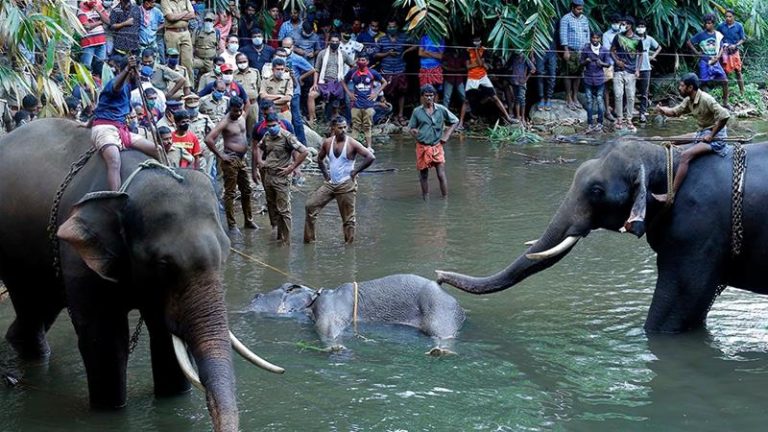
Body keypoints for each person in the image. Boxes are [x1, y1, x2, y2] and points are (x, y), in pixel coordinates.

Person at [652, 73, 730, 203]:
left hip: (716, 137)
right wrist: (661, 109)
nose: (679, 88)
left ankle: (671, 195)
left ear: (690, 87)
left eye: (682, 86)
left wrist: (711, 135)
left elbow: (725, 115)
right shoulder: (689, 100)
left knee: (685, 155)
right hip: (702, 133)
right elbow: (675, 112)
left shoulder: (706, 99)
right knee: (671, 140)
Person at [90, 54, 158, 191]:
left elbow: (101, 107)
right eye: (137, 71)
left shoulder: (128, 87)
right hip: (105, 129)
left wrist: (87, 124)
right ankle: (116, 196)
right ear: (130, 71)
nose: (139, 74)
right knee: (114, 161)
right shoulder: (114, 83)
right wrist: (127, 69)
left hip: (122, 130)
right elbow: (116, 87)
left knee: (158, 149)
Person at [304, 115, 375, 244]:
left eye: (345, 127)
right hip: (331, 183)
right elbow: (320, 159)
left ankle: (349, 247)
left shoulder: (352, 143)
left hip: (346, 184)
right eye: (340, 128)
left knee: (348, 219)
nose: (343, 130)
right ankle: (310, 241)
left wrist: (355, 171)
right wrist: (326, 175)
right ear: (333, 128)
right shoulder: (327, 142)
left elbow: (370, 157)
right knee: (310, 206)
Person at [253, 113, 309, 243]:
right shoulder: (267, 136)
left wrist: (292, 167)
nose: (271, 128)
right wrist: (260, 161)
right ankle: (279, 236)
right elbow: (259, 147)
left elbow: (304, 151)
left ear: (279, 123)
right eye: (269, 126)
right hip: (268, 175)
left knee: (284, 210)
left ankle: (287, 241)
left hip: (281, 177)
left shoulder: (287, 137)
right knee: (272, 207)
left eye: (274, 125)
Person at [205, 96, 257, 233]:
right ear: (230, 108)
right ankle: (232, 225)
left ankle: (248, 220)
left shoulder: (242, 115)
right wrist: (221, 155)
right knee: (230, 193)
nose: (238, 113)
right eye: (235, 111)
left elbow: (248, 103)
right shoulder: (225, 121)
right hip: (230, 160)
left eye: (240, 110)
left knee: (247, 190)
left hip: (242, 159)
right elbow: (208, 139)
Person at [407, 85, 459, 200]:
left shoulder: (441, 109)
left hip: (437, 146)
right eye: (426, 96)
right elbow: (411, 127)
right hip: (422, 146)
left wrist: (446, 135)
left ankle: (445, 199)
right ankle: (425, 199)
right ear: (422, 97)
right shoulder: (417, 111)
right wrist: (414, 132)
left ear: (434, 96)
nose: (429, 98)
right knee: (423, 175)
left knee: (441, 174)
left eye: (431, 95)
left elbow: (455, 121)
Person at [465, 35, 514, 124]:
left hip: (483, 77)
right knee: (467, 100)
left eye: (478, 40)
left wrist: (477, 56)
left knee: (495, 97)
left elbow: (481, 64)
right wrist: (479, 62)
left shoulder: (483, 50)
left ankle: (508, 117)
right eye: (475, 41)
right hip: (472, 77)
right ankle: (462, 122)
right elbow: (469, 66)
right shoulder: (468, 51)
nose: (477, 42)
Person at [375, 20, 416, 125]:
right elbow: (376, 54)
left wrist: (405, 52)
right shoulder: (382, 39)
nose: (391, 29)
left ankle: (400, 115)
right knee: (386, 93)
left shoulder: (403, 37)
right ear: (387, 28)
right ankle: (389, 115)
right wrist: (387, 53)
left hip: (400, 69)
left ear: (397, 27)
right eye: (390, 27)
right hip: (386, 70)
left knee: (401, 92)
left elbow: (416, 44)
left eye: (393, 27)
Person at [344, 53, 386, 150]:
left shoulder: (372, 72)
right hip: (355, 103)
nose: (361, 62)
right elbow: (343, 81)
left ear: (367, 62)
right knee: (355, 125)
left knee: (368, 126)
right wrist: (349, 93)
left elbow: (384, 82)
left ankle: (369, 147)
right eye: (359, 60)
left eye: (363, 60)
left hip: (368, 104)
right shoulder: (352, 72)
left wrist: (376, 93)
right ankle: (353, 148)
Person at [309, 33, 353, 125]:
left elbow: (353, 65)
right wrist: (315, 83)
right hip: (323, 82)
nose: (334, 43)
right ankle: (312, 120)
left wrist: (346, 78)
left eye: (336, 42)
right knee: (311, 95)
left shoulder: (343, 54)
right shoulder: (322, 53)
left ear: (339, 42)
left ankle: (341, 123)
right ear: (329, 42)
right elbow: (316, 70)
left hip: (337, 83)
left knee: (340, 103)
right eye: (332, 41)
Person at [688, 14, 728, 108]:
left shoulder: (718, 35)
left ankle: (725, 103)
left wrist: (718, 57)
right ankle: (701, 103)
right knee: (703, 82)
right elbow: (689, 42)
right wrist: (697, 53)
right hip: (704, 61)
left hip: (715, 62)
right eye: (706, 23)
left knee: (725, 81)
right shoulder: (701, 35)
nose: (707, 25)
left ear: (713, 24)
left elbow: (722, 47)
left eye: (709, 23)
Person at [279, 40, 314, 145]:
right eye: (284, 46)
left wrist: (300, 78)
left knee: (296, 118)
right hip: (281, 92)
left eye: (288, 47)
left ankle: (302, 143)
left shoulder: (297, 58)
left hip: (294, 92)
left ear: (293, 47)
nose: (285, 49)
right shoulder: (278, 57)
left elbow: (311, 69)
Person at [610, 16, 640, 132]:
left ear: (630, 25)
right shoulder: (618, 37)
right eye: (621, 24)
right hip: (618, 70)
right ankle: (619, 119)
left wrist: (637, 69)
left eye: (624, 24)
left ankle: (629, 120)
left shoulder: (637, 39)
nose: (621, 26)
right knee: (618, 95)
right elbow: (612, 51)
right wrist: (617, 61)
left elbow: (640, 54)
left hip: (631, 71)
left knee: (631, 96)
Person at [559, 0, 589, 110]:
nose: (580, 11)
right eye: (578, 9)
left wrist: (587, 50)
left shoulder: (584, 19)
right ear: (572, 8)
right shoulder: (566, 18)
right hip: (570, 50)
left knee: (578, 74)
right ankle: (568, 97)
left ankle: (575, 97)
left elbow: (587, 34)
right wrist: (566, 50)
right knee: (568, 74)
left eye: (582, 9)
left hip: (581, 51)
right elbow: (563, 34)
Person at [580, 31, 611, 133]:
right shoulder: (586, 49)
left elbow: (608, 64)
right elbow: (581, 62)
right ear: (590, 38)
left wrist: (601, 63)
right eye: (593, 38)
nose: (595, 40)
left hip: (599, 79)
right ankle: (590, 124)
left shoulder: (604, 50)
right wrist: (586, 61)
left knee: (599, 100)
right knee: (589, 101)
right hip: (588, 78)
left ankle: (600, 123)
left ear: (600, 39)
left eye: (597, 38)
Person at [161, 0, 195, 80]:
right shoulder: (165, 1)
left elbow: (192, 15)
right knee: (173, 61)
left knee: (188, 62)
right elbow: (171, 17)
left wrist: (177, 16)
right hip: (172, 33)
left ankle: (189, 85)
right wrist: (185, 13)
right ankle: (173, 84)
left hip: (185, 32)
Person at [636, 20, 661, 123]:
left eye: (642, 26)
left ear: (645, 28)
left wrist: (653, 56)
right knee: (629, 90)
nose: (640, 28)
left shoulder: (649, 39)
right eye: (639, 26)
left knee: (644, 91)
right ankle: (626, 112)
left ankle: (642, 113)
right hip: (633, 68)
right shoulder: (632, 38)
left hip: (646, 67)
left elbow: (659, 47)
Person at [717, 9, 746, 97]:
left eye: (730, 16)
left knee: (738, 71)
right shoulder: (721, 26)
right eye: (726, 16)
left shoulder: (739, 26)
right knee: (724, 73)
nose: (728, 18)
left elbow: (743, 39)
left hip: (734, 51)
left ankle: (742, 93)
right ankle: (726, 94)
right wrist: (722, 45)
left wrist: (735, 45)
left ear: (734, 17)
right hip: (724, 52)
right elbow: (717, 37)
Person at [233, 52, 261, 138]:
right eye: (240, 62)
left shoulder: (255, 72)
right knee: (238, 129)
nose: (242, 64)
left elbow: (259, 87)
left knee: (253, 129)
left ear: (248, 61)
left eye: (244, 61)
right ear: (236, 63)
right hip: (239, 107)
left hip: (253, 105)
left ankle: (252, 145)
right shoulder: (233, 75)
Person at [78, 0, 110, 71]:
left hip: (101, 43)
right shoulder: (81, 10)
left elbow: (108, 21)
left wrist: (97, 10)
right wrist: (100, 22)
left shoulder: (99, 6)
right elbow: (87, 26)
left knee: (100, 67)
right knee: (86, 68)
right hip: (88, 44)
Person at [505, 51, 536, 125]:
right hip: (514, 81)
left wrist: (526, 79)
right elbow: (507, 67)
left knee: (522, 99)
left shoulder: (525, 57)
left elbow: (533, 69)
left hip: (522, 82)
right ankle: (518, 117)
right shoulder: (513, 56)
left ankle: (523, 118)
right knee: (517, 99)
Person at [601, 14, 621, 121]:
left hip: (622, 64)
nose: (616, 24)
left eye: (617, 22)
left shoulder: (624, 33)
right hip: (610, 63)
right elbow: (607, 50)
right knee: (607, 87)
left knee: (620, 87)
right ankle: (607, 111)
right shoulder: (606, 35)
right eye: (614, 22)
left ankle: (618, 110)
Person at [192, 12, 220, 80]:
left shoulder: (217, 32)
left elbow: (218, 48)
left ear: (213, 22)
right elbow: (192, 45)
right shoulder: (197, 31)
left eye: (210, 20)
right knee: (188, 66)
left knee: (212, 77)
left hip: (210, 60)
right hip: (198, 59)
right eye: (206, 20)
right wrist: (191, 57)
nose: (208, 22)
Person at [442, 47, 467, 118]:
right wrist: (455, 69)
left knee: (464, 97)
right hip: (449, 79)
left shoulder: (462, 57)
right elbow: (444, 66)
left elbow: (466, 67)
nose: (456, 51)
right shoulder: (447, 56)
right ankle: (444, 116)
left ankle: (468, 113)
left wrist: (453, 70)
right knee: (446, 98)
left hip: (459, 79)